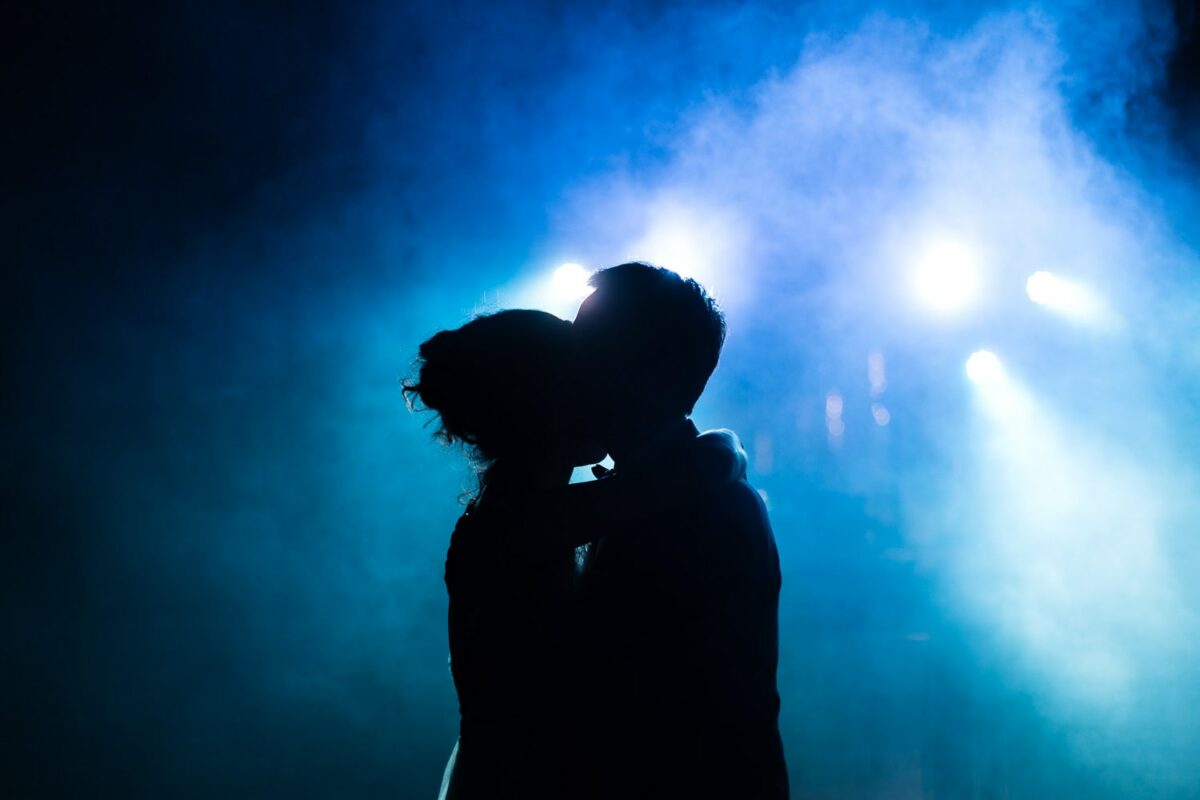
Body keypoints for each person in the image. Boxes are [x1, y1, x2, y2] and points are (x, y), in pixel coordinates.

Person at [405, 308, 748, 799]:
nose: (602, 392)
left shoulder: (517, 510)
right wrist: (726, 445)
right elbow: (699, 468)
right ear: (541, 401)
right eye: (583, 380)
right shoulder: (523, 520)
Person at [566, 263, 789, 799]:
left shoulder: (699, 508)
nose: (569, 369)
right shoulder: (682, 488)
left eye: (589, 349)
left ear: (649, 370)